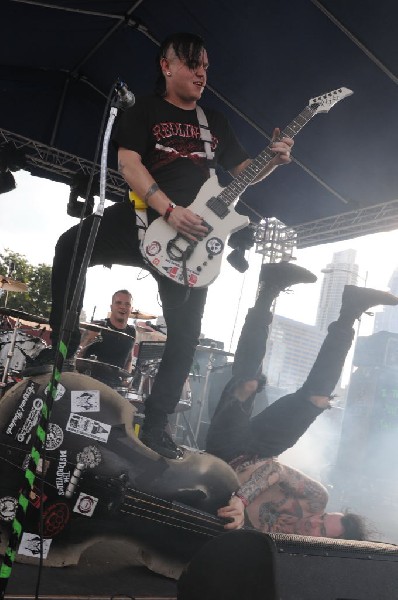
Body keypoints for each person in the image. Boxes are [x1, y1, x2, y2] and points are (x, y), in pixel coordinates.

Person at [23, 32, 294, 459]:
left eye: (205, 64)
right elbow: (128, 163)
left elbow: (244, 173)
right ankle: (62, 343)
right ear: (166, 67)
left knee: (185, 336)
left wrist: (272, 162)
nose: (201, 71)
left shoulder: (215, 122)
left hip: (195, 239)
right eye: (191, 63)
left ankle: (157, 424)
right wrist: (169, 210)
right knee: (69, 245)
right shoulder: (144, 109)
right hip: (143, 218)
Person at [206, 261, 398, 538]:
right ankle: (350, 311)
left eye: (320, 530)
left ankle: (268, 290)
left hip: (222, 455)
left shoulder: (286, 545)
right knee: (317, 398)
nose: (313, 522)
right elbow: (273, 468)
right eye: (322, 519)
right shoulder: (316, 498)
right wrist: (242, 500)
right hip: (262, 449)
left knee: (246, 383)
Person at [77, 289, 136, 379]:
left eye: (127, 304)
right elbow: (78, 354)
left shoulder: (132, 331)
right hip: (90, 381)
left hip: (115, 384)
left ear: (131, 309)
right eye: (118, 303)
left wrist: (126, 379)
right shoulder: (98, 326)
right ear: (111, 307)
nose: (123, 307)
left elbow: (129, 360)